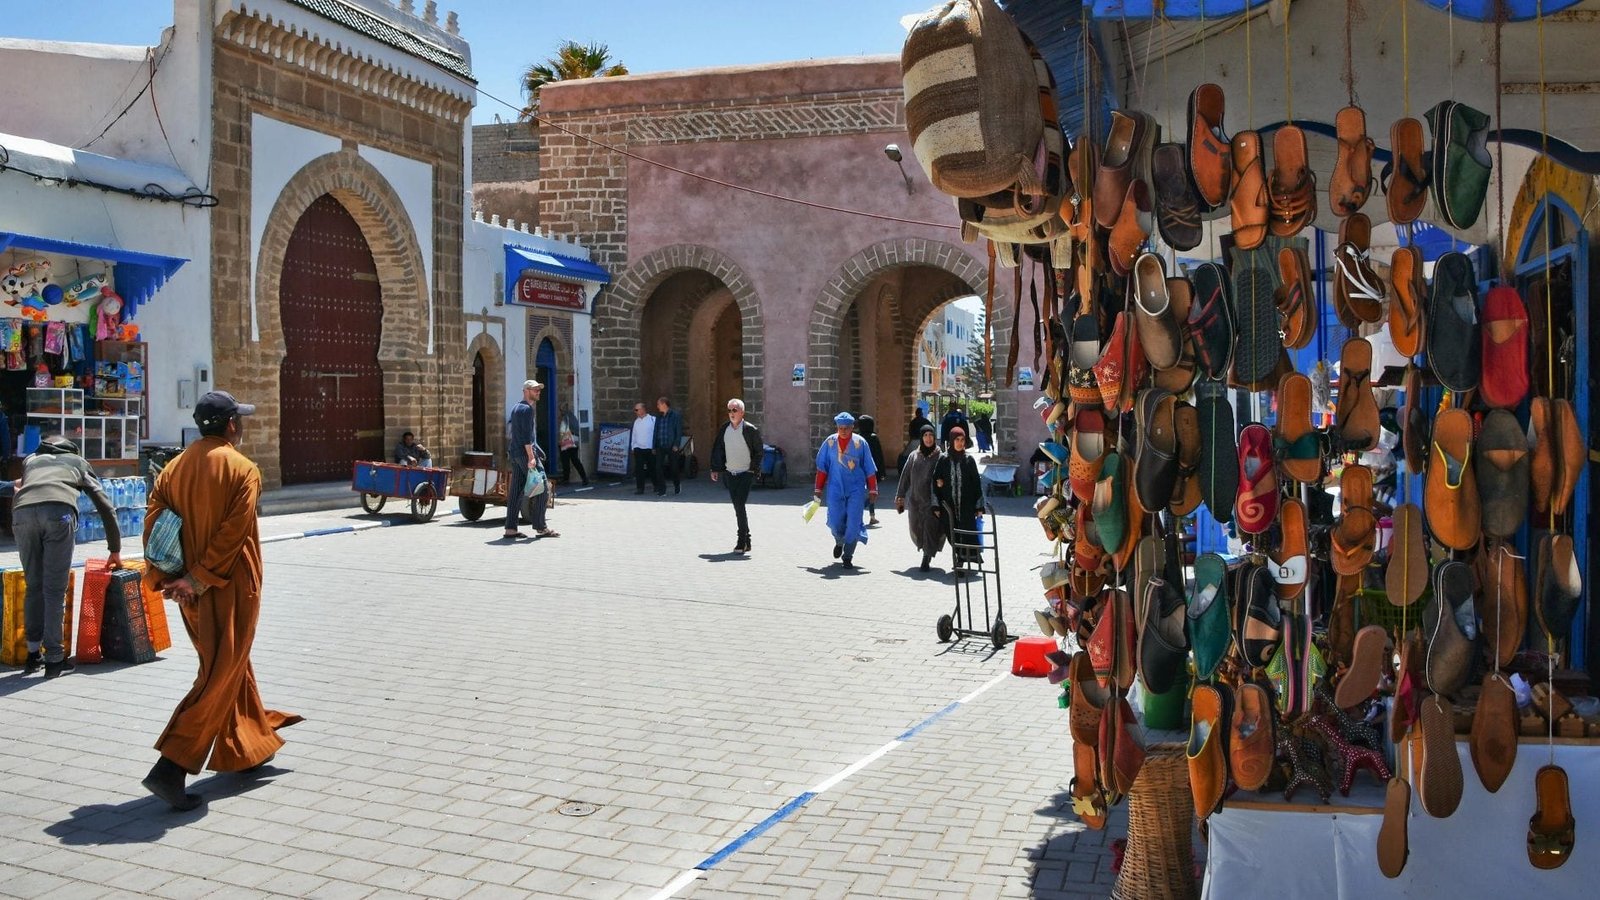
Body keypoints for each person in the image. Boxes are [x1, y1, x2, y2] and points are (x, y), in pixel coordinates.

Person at [140, 391, 302, 810]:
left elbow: (155, 523)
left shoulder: (173, 468)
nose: (242, 426)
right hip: (226, 587)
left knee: (229, 664)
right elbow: (233, 534)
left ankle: (248, 748)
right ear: (231, 425)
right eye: (240, 420)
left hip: (187, 591)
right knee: (219, 672)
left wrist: (169, 578)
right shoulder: (242, 469)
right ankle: (171, 766)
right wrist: (197, 579)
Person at [13, 435, 121, 678]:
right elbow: (105, 505)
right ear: (71, 449)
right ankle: (54, 659)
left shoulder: (31, 460)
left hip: (21, 516)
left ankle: (32, 656)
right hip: (58, 514)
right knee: (54, 590)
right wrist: (114, 548)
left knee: (34, 586)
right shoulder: (77, 461)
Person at [813, 411, 878, 569]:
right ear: (836, 427)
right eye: (840, 427)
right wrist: (818, 489)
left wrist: (873, 490)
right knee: (835, 521)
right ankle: (839, 540)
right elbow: (822, 468)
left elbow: (869, 468)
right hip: (835, 488)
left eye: (846, 428)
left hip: (855, 489)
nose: (843, 430)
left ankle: (848, 554)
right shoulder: (829, 443)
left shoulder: (860, 443)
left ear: (852, 427)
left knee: (854, 522)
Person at [709, 397, 762, 553]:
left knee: (739, 505)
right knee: (738, 507)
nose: (731, 413)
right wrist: (715, 468)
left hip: (746, 473)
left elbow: (759, 452)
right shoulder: (724, 429)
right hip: (730, 473)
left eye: (734, 410)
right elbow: (717, 449)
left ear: (742, 412)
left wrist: (754, 469)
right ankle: (748, 539)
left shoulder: (750, 430)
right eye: (729, 410)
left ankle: (741, 541)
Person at [933, 425, 984, 570]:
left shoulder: (969, 460)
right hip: (948, 506)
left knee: (966, 532)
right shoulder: (943, 459)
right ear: (951, 441)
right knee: (952, 533)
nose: (960, 443)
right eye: (957, 439)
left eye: (962, 440)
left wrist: (979, 506)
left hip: (966, 506)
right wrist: (936, 505)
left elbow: (976, 484)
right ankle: (958, 556)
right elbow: (935, 480)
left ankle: (960, 560)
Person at [896, 424, 946, 571]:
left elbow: (945, 476)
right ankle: (925, 549)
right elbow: (905, 477)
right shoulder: (914, 455)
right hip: (915, 501)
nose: (928, 439)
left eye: (931, 435)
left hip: (932, 501)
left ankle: (927, 557)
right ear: (921, 438)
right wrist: (900, 495)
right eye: (925, 436)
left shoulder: (940, 456)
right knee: (916, 527)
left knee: (930, 528)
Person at [503, 380, 542, 539]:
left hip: (515, 453)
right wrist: (531, 457)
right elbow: (526, 437)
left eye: (539, 390)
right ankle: (541, 527)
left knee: (516, 491)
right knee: (542, 488)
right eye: (535, 390)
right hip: (525, 454)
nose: (538, 392)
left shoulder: (516, 408)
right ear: (526, 391)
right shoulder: (527, 409)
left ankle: (510, 529)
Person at [855, 415, 886, 525]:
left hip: (859, 470)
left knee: (863, 493)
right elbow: (879, 456)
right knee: (873, 492)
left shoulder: (857, 438)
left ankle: (868, 515)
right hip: (872, 470)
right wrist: (882, 472)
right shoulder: (873, 437)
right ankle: (868, 514)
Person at [654, 396, 684, 496]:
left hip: (671, 445)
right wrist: (654, 445)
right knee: (658, 467)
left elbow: (678, 431)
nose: (657, 406)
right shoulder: (658, 416)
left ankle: (677, 484)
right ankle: (662, 490)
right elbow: (655, 431)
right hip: (660, 445)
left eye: (658, 404)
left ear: (664, 404)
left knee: (674, 467)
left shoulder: (675, 415)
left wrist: (676, 444)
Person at [630, 401, 661, 495]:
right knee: (639, 469)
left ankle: (656, 485)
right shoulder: (636, 421)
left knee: (652, 468)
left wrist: (655, 446)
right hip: (638, 448)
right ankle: (640, 488)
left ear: (643, 409)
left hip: (649, 448)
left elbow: (656, 434)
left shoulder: (653, 420)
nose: (635, 412)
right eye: (635, 410)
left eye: (637, 410)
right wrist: (633, 446)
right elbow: (634, 434)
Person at [557, 403, 589, 487]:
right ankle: (584, 478)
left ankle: (566, 480)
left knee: (565, 461)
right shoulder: (573, 417)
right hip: (575, 441)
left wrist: (560, 441)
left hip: (567, 441)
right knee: (575, 460)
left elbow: (564, 430)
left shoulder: (565, 418)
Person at [901, 403, 933, 472]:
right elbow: (932, 428)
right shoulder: (925, 421)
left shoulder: (913, 422)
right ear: (921, 413)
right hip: (923, 441)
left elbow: (910, 432)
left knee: (910, 456)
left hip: (914, 441)